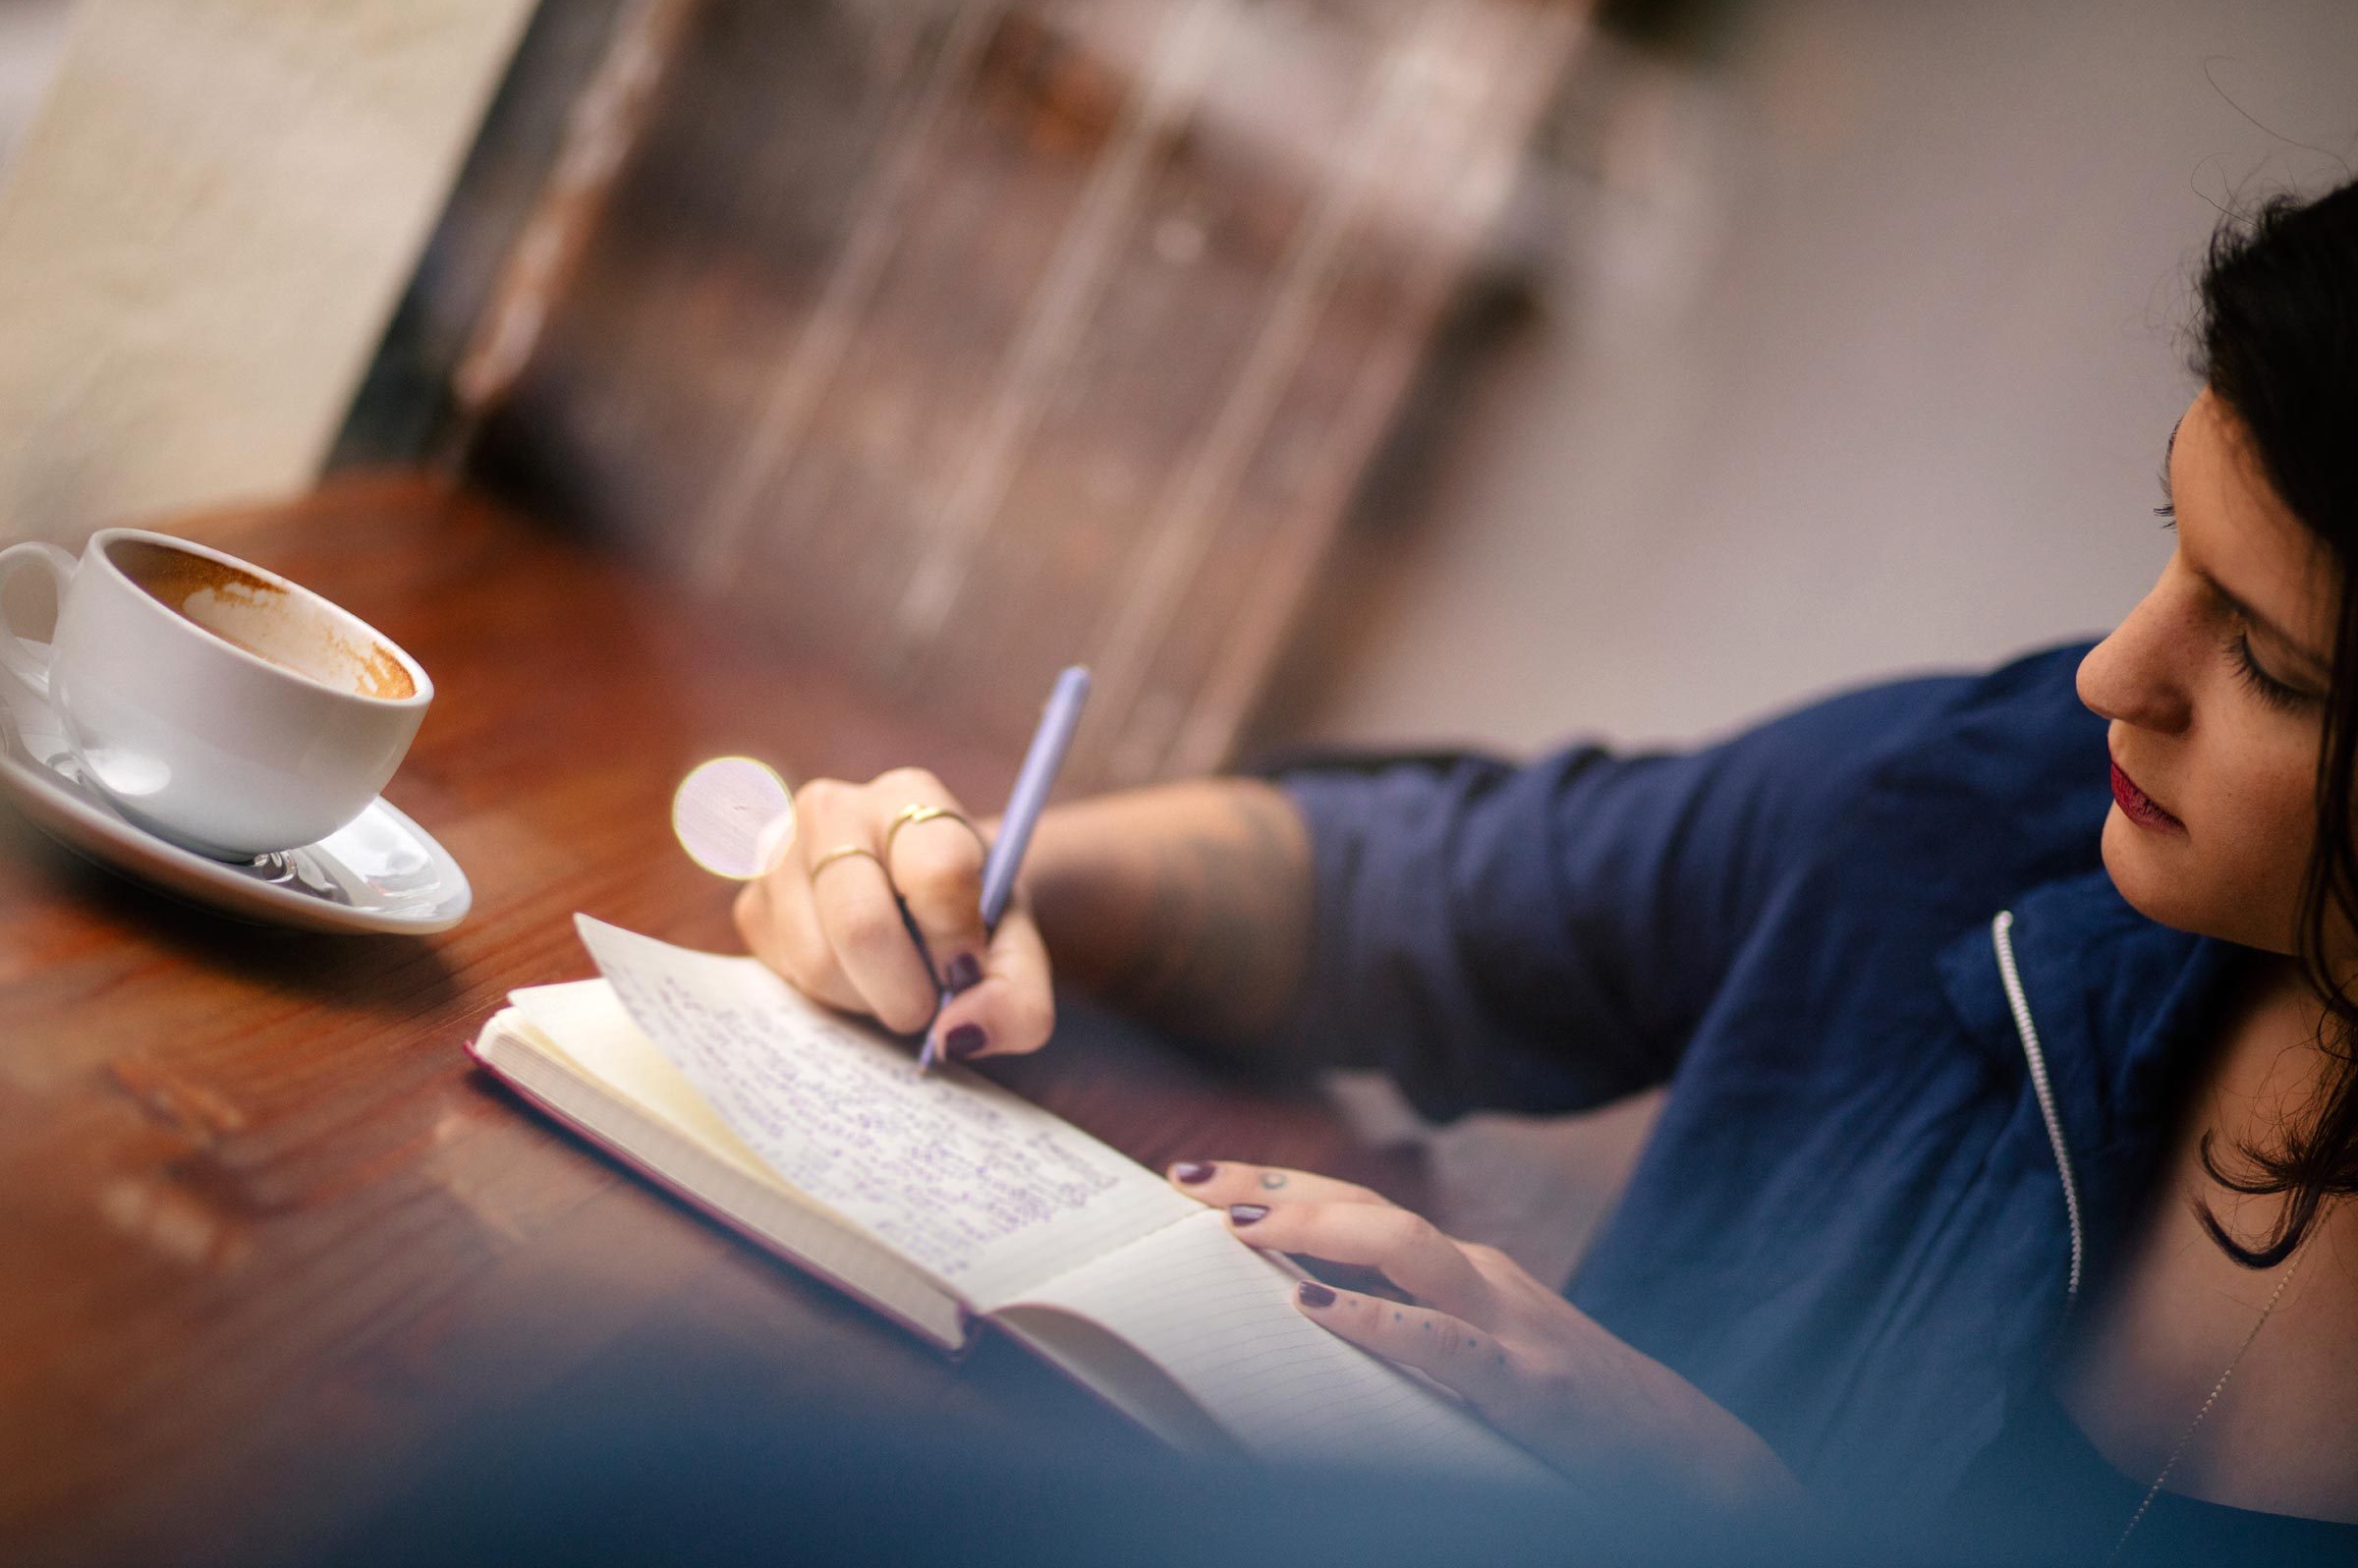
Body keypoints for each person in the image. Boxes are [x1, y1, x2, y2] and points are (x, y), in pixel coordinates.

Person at [732, 180, 2358, 1557]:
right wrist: (982, 883)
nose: (2112, 678)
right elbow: (1405, 890)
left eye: (2272, 667)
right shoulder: (2000, 800)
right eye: (2168, 539)